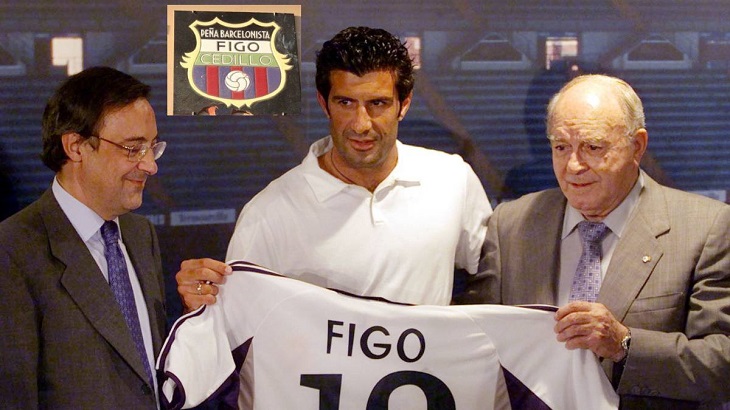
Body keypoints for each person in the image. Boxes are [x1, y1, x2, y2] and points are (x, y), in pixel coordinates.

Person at [461, 74, 730, 408]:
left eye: (593, 147)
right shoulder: (510, 225)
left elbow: (722, 363)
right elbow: (475, 341)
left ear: (637, 146)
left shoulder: (705, 228)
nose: (574, 166)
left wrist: (624, 345)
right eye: (561, 147)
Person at [176, 26, 492, 308]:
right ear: (324, 103)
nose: (361, 124)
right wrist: (201, 304)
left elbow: (497, 283)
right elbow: (238, 323)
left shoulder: (453, 180)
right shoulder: (269, 213)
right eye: (345, 103)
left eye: (377, 103)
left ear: (404, 104)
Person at [0, 66, 168, 408]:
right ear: (76, 146)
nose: (151, 165)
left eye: (152, 147)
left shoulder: (141, 235)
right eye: (133, 148)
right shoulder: (12, 251)